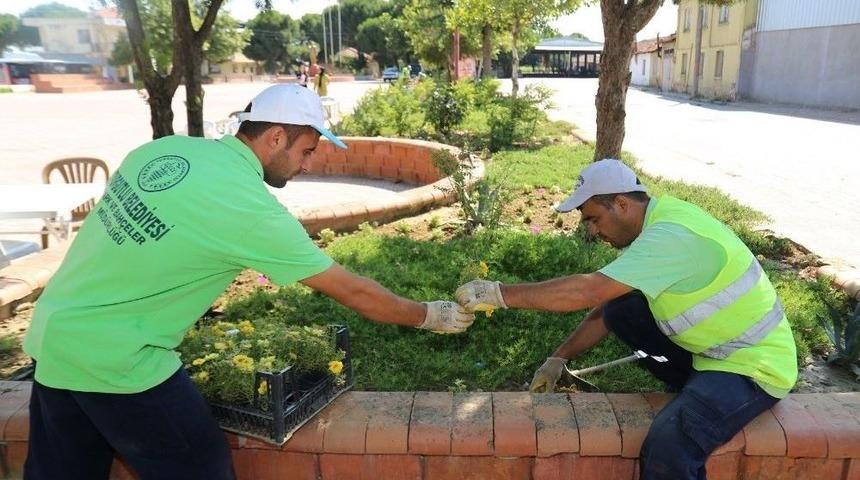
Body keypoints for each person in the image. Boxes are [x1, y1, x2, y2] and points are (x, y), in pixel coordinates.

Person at [22, 84, 475, 480]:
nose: (309, 165)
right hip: (120, 364)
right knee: (200, 467)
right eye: (307, 151)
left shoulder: (164, 151)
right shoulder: (251, 212)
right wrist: (430, 315)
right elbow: (353, 290)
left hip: (55, 339)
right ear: (276, 137)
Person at [455, 159, 797, 480]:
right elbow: (604, 305)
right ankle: (694, 390)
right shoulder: (660, 220)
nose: (591, 230)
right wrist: (559, 358)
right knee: (620, 308)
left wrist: (499, 293)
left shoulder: (672, 237)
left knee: (669, 445)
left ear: (621, 204)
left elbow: (585, 292)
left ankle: (696, 402)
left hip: (752, 367)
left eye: (593, 219)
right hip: (709, 355)